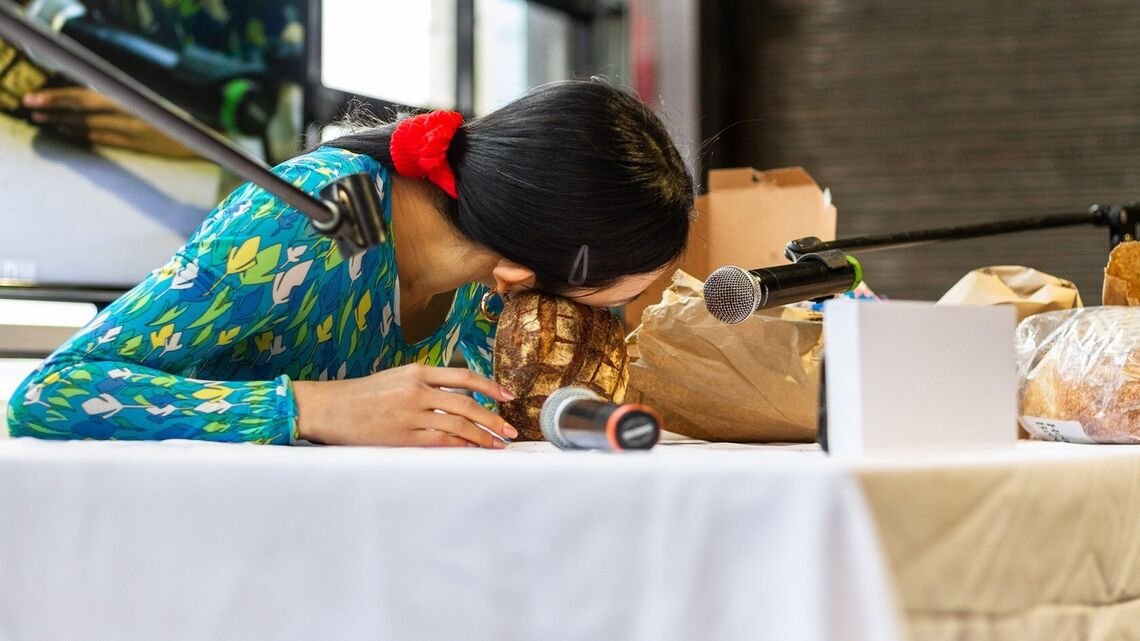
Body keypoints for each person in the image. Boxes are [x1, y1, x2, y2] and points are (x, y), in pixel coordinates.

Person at [7, 79, 694, 448]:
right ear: (520, 272)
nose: (602, 326)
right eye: (607, 304)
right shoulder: (322, 216)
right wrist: (307, 408)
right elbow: (50, 394)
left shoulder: (489, 280)